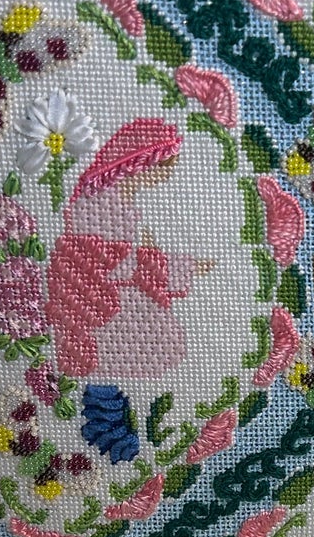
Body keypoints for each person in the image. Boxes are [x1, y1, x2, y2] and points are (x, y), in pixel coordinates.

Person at [44, 117, 213, 380]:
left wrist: (161, 261)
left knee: (167, 339)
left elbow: (129, 257)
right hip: (97, 303)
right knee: (165, 342)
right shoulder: (101, 203)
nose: (164, 178)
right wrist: (173, 266)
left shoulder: (120, 201)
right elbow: (114, 263)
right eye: (164, 168)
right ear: (144, 164)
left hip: (110, 293)